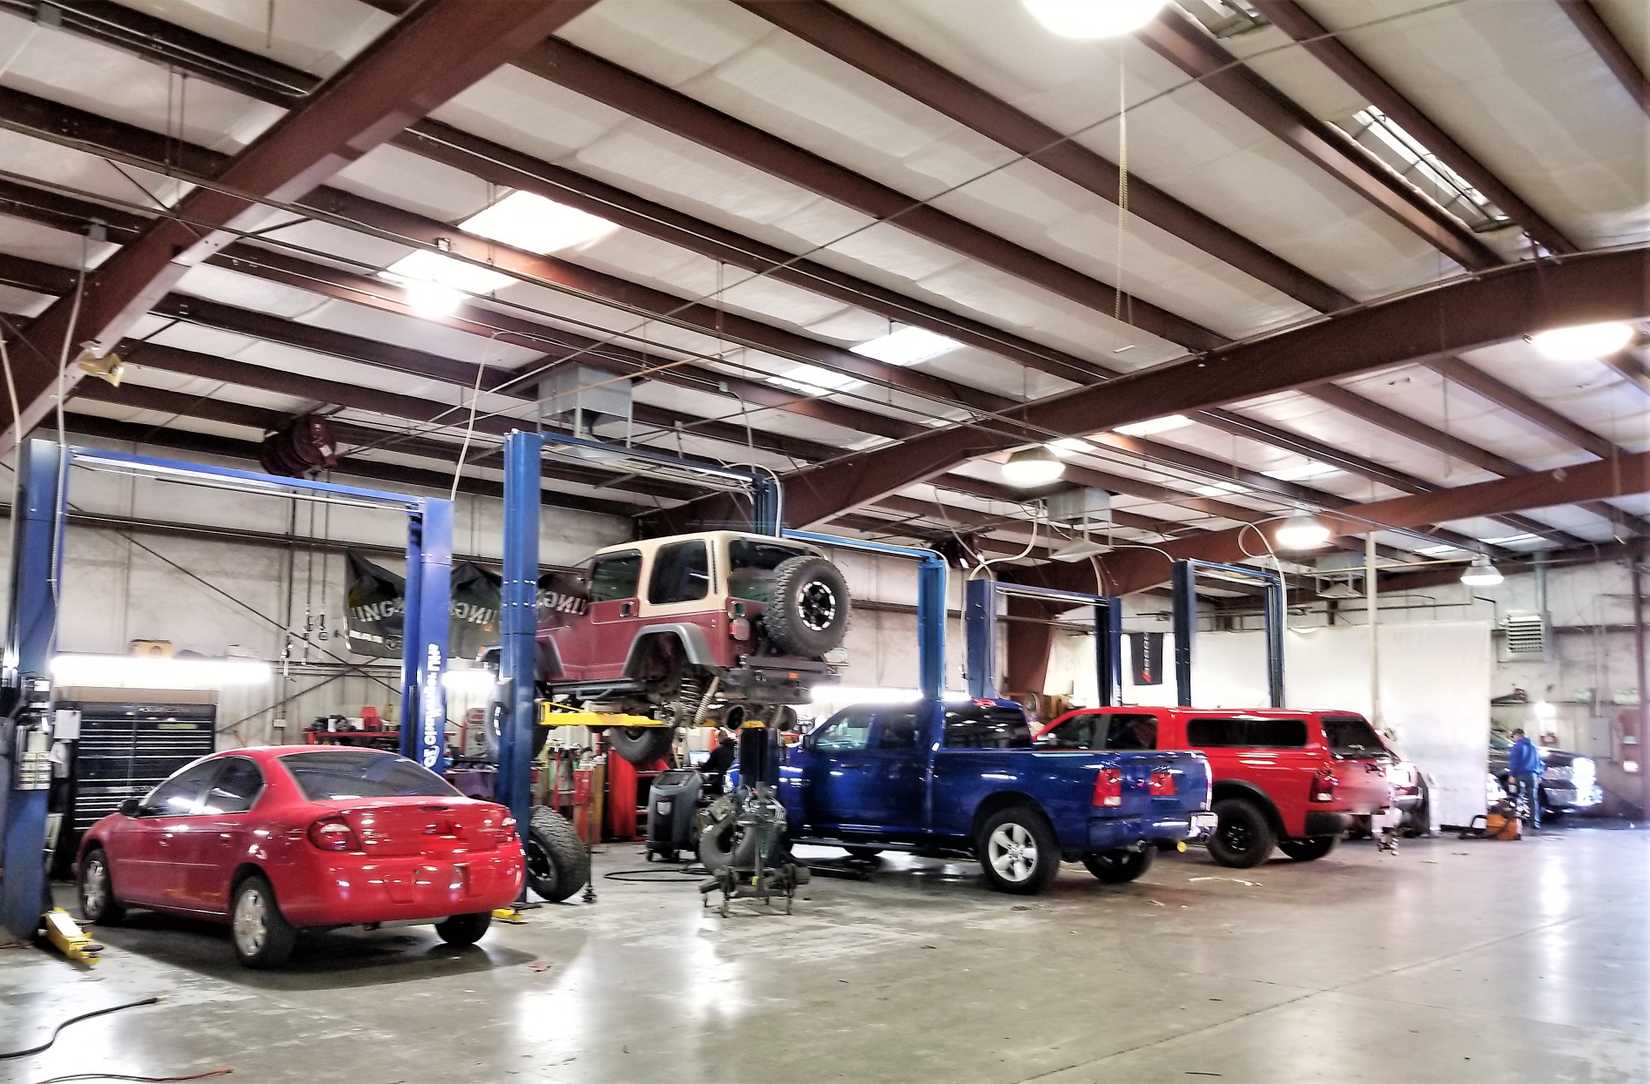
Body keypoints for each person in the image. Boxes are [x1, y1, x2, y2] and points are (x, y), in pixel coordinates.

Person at [1507, 728, 1544, 830]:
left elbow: (1514, 762)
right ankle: (1535, 823)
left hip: (1521, 775)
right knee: (1533, 800)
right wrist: (1539, 774)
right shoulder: (1534, 747)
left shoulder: (1517, 747)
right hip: (1533, 776)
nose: (1513, 739)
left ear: (1517, 735)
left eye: (1513, 736)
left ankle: (1518, 821)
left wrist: (1512, 775)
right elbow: (1541, 763)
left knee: (1518, 797)